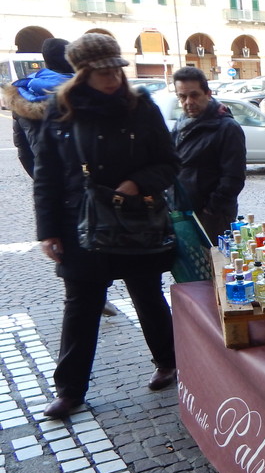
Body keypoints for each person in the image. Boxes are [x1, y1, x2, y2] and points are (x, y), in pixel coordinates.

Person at [33, 33, 180, 420]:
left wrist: (138, 183)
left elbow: (169, 163)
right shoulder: (60, 109)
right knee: (80, 307)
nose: (113, 78)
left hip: (135, 221)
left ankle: (169, 361)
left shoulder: (140, 105)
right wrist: (48, 230)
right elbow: (46, 175)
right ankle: (70, 391)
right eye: (103, 72)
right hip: (79, 224)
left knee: (147, 295)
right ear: (82, 73)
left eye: (116, 69)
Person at [171, 66, 246, 240]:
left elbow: (233, 178)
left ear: (208, 94)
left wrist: (210, 211)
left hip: (211, 219)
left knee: (213, 258)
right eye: (182, 97)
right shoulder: (182, 123)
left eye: (194, 95)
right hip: (183, 213)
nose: (188, 102)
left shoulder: (227, 127)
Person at [2, 38, 75, 176]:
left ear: (46, 60)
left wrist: (40, 178)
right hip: (86, 178)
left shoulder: (22, 93)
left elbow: (23, 148)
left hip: (47, 177)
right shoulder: (87, 89)